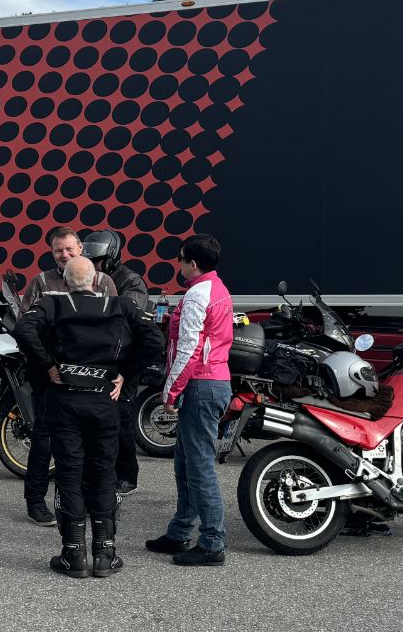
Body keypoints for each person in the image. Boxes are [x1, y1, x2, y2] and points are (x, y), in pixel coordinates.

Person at [14, 256, 164, 578]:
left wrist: (48, 365)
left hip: (66, 400)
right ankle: (105, 554)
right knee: (103, 472)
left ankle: (74, 555)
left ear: (66, 281)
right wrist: (125, 372)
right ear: (96, 281)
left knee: (69, 474)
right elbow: (155, 340)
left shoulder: (52, 304)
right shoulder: (120, 305)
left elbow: (23, 329)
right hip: (104, 402)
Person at [145, 234, 234, 567]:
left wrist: (170, 391)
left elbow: (190, 349)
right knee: (185, 463)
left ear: (192, 263)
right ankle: (180, 531)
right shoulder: (217, 288)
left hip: (201, 386)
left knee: (198, 468)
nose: (179, 264)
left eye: (180, 259)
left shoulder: (197, 294)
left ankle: (212, 543)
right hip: (211, 383)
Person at [19, 226, 117, 527]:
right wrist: (47, 365)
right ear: (51, 253)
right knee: (45, 438)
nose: (64, 255)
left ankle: (73, 502)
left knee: (85, 443)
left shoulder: (103, 282)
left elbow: (117, 331)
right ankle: (36, 502)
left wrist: (117, 373)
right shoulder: (41, 282)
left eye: (69, 249)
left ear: (81, 249)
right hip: (52, 378)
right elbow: (25, 328)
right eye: (58, 250)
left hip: (90, 378)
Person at [80, 230, 157, 497]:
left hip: (126, 360)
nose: (94, 265)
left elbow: (127, 323)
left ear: (111, 257)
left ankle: (127, 476)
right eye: (90, 260)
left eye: (98, 260)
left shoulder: (131, 282)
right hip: (101, 359)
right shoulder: (91, 278)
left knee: (120, 415)